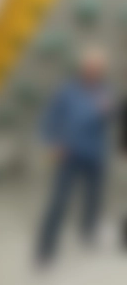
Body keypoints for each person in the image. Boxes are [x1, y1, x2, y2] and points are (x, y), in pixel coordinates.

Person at [35, 46, 112, 264]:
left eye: (98, 68)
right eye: (90, 67)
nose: (94, 72)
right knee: (60, 200)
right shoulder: (66, 91)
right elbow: (48, 119)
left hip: (96, 154)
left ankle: (88, 234)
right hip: (69, 155)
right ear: (83, 68)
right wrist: (52, 143)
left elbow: (112, 120)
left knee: (93, 199)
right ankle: (45, 248)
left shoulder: (106, 91)